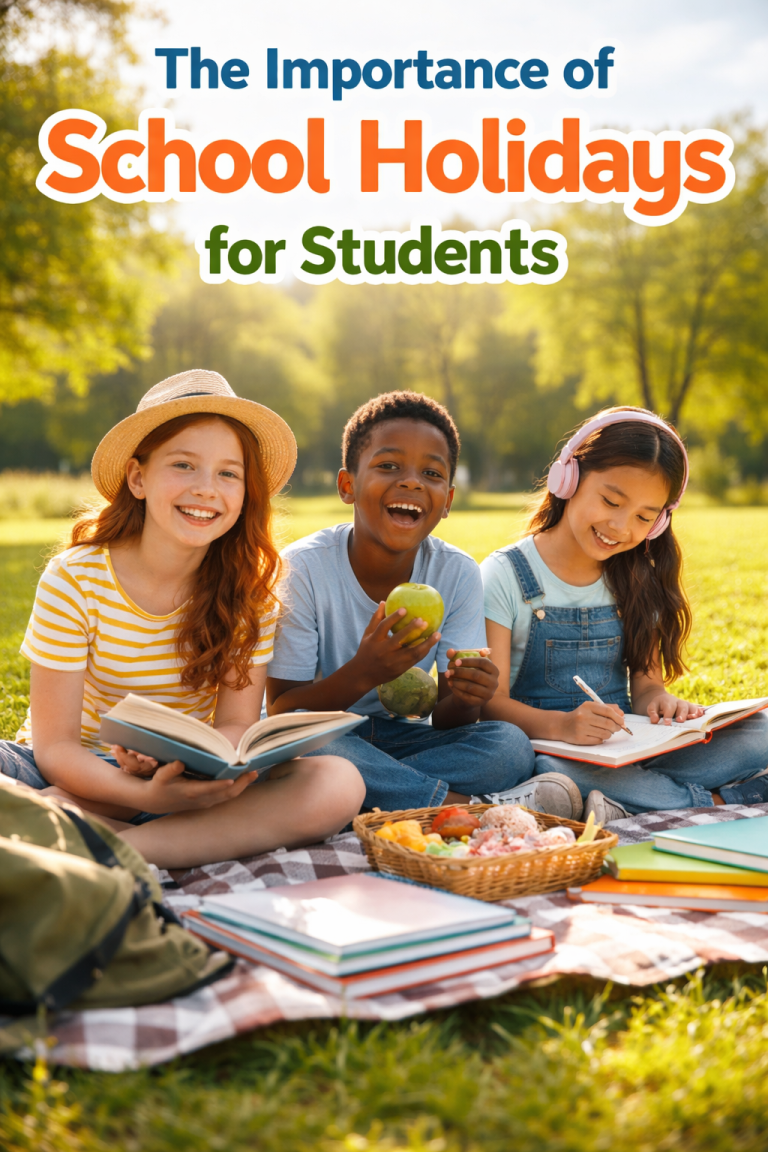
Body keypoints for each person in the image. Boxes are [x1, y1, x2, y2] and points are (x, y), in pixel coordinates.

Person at [0, 370, 365, 869]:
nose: (205, 490)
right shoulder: (76, 579)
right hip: (77, 773)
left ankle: (109, 843)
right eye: (183, 465)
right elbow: (56, 747)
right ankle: (104, 825)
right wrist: (142, 794)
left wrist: (190, 775)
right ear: (138, 478)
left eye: (227, 473)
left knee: (338, 783)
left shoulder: (251, 591)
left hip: (190, 782)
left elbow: (236, 723)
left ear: (244, 492)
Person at [267, 390, 582, 817]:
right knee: (309, 747)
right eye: (388, 466)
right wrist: (366, 671)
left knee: (507, 746)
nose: (411, 481)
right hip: (328, 733)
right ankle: (465, 810)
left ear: (448, 501)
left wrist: (469, 697)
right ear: (347, 485)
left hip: (405, 739)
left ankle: (370, 797)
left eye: (431, 473)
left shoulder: (456, 572)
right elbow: (286, 711)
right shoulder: (302, 569)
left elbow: (450, 719)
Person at [480, 406, 768, 823]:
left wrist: (663, 703)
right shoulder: (505, 575)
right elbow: (491, 705)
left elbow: (648, 686)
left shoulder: (637, 577)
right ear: (570, 477)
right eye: (611, 501)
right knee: (552, 774)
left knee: (761, 731)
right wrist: (564, 727)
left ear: (657, 524)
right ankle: (718, 802)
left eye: (643, 517)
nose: (619, 526)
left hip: (631, 746)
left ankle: (631, 800)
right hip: (551, 748)